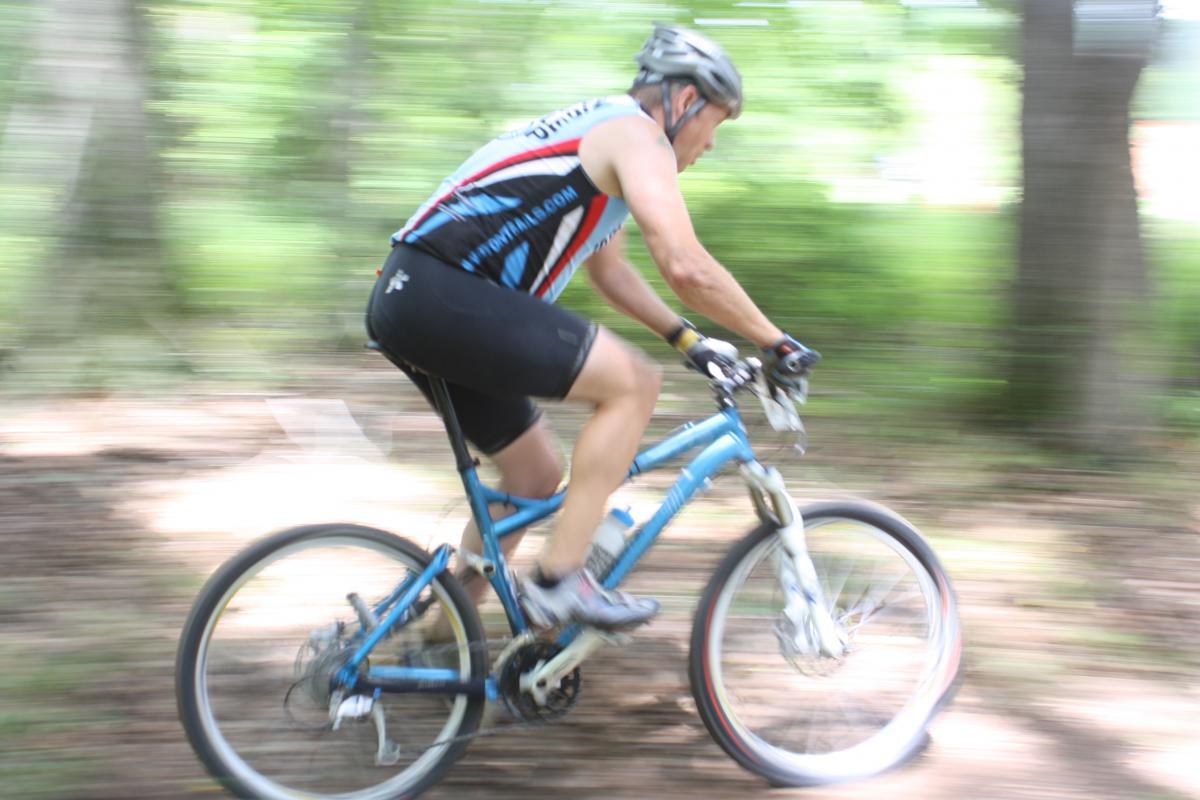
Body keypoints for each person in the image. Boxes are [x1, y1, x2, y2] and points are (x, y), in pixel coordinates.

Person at [366, 24, 817, 631]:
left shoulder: (605, 134)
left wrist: (689, 338)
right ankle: (561, 580)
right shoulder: (638, 137)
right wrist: (774, 340)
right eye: (718, 122)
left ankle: (441, 637)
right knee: (633, 384)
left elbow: (611, 271)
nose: (711, 144)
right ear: (686, 102)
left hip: (417, 296)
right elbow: (685, 265)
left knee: (532, 475)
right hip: (445, 291)